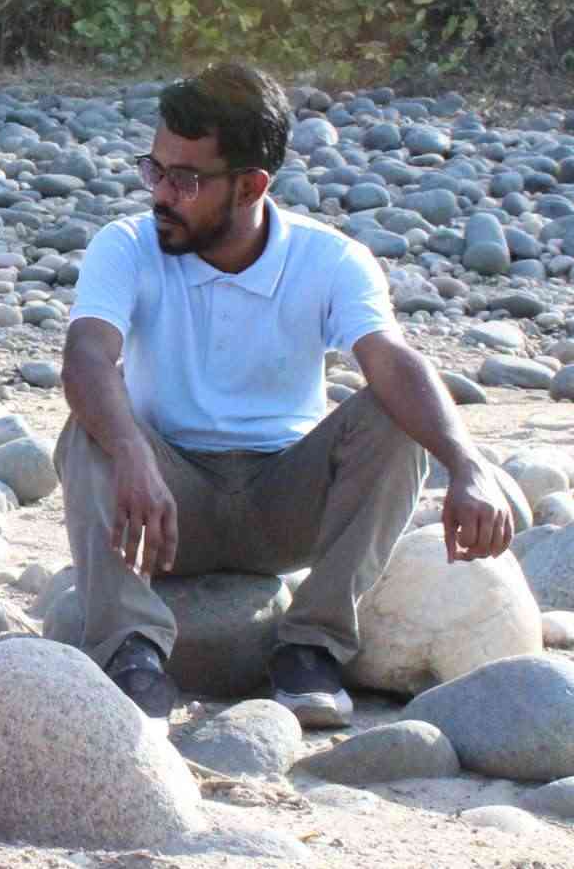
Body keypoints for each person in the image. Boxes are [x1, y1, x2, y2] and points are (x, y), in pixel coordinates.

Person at [55, 62, 513, 727]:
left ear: (251, 185)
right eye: (154, 170)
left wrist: (468, 465)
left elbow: (390, 360)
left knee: (394, 420)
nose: (161, 194)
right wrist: (130, 451)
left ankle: (311, 650)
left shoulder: (329, 259)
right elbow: (86, 356)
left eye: (185, 179)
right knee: (90, 427)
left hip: (285, 506)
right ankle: (132, 653)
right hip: (162, 506)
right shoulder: (126, 245)